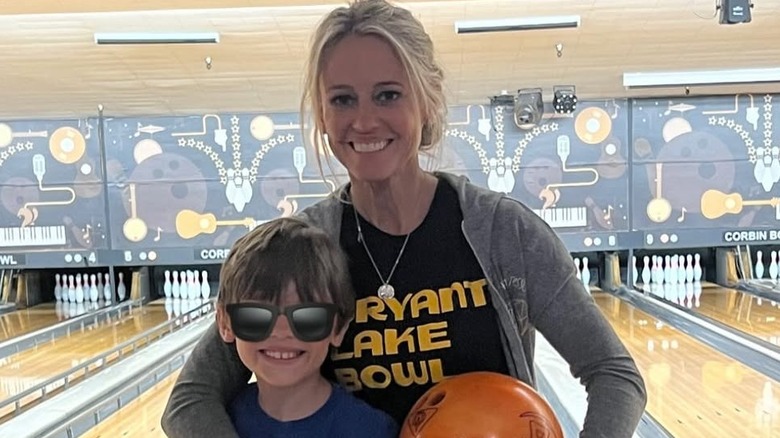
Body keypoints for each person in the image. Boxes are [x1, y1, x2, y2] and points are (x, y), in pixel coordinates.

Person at [162, 0, 647, 436]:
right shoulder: (304, 247)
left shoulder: (504, 233)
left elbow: (613, 373)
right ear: (323, 115)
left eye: (388, 95)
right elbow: (189, 401)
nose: (365, 120)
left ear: (427, 100)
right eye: (342, 99)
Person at [214, 217, 398, 437]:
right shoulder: (216, 421)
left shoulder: (371, 430)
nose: (281, 332)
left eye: (308, 318)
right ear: (225, 322)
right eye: (256, 316)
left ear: (338, 328)